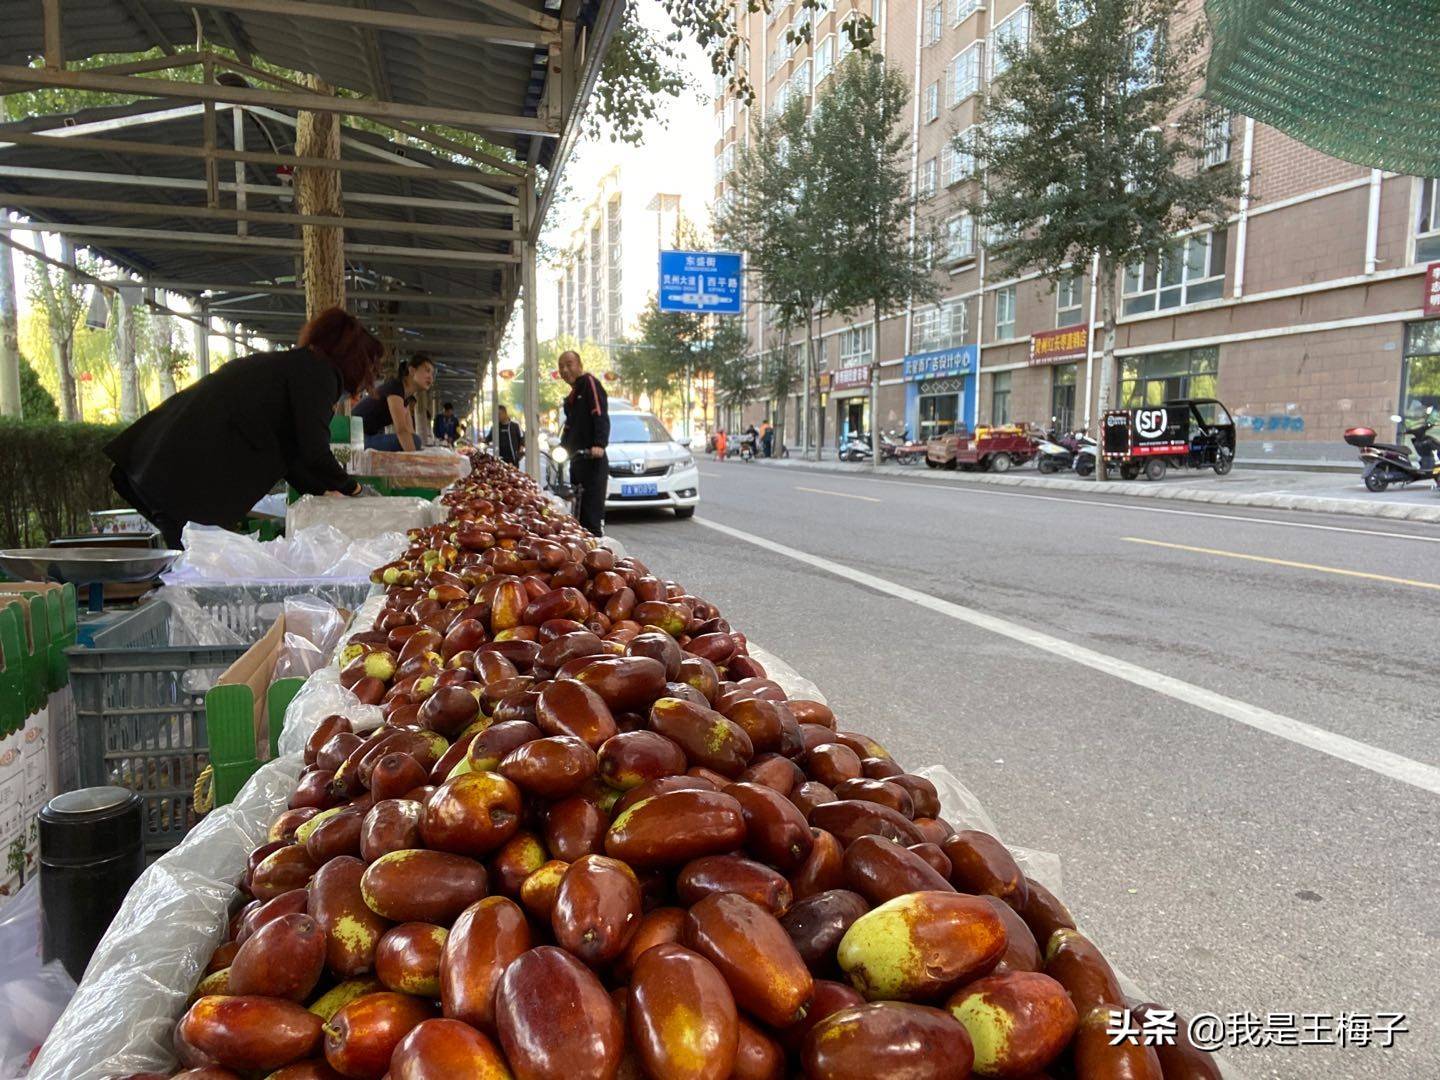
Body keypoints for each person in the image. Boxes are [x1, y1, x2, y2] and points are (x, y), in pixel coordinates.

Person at [105, 307, 381, 549]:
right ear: (355, 358)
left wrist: (322, 492)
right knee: (195, 568)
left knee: (194, 562)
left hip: (166, 466)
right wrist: (353, 488)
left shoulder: (297, 368)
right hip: (185, 477)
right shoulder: (319, 374)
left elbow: (293, 457)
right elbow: (314, 451)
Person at [558, 349, 609, 535]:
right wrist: (561, 448)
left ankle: (598, 559)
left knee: (591, 518)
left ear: (580, 365)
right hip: (577, 461)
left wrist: (599, 444)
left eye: (569, 364)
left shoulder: (589, 383)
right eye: (561, 366)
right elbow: (570, 427)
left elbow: (600, 413)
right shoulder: (572, 396)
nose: (565, 369)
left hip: (593, 461)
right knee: (577, 518)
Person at [353, 353, 435, 450]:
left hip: (369, 436)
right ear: (412, 371)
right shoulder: (395, 387)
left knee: (415, 440)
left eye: (432, 374)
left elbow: (410, 431)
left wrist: (421, 453)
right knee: (415, 441)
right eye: (427, 371)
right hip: (356, 437)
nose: (431, 377)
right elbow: (401, 430)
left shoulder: (405, 398)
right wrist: (416, 459)